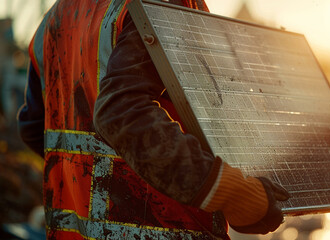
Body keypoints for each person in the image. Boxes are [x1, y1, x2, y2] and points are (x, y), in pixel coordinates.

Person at [18, 0, 290, 239]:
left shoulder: (54, 18)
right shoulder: (162, 4)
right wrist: (233, 196)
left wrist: (94, 181)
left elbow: (34, 128)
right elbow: (122, 113)